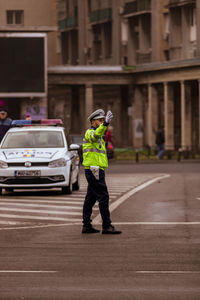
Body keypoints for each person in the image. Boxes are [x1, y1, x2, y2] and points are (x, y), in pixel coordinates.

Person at [82, 109, 121, 234]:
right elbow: (96, 135)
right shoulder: (90, 133)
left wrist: (104, 126)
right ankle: (107, 226)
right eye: (100, 120)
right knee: (104, 196)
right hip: (94, 169)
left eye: (103, 120)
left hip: (96, 169)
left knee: (91, 198)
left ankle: (86, 225)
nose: (102, 122)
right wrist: (105, 125)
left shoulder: (99, 134)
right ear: (93, 122)